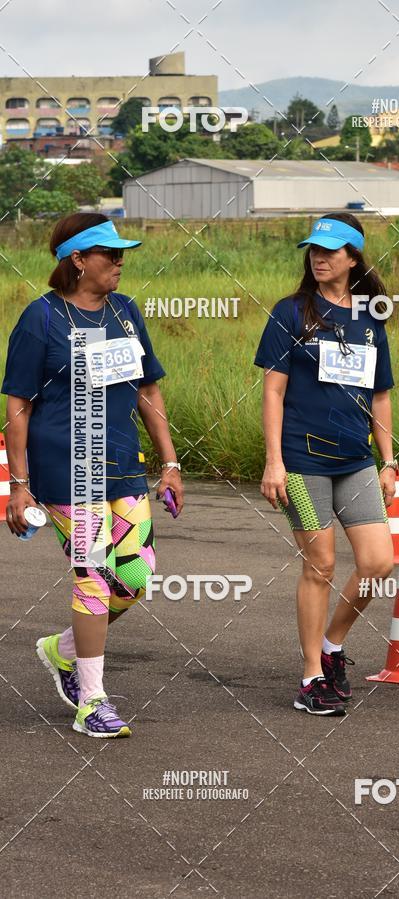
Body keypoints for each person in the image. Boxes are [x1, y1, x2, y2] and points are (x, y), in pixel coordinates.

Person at [2, 212, 183, 738]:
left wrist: (170, 463)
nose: (120, 261)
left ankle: (62, 650)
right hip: (64, 470)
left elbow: (149, 390)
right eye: (110, 253)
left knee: (135, 577)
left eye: (122, 252)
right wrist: (19, 483)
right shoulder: (40, 319)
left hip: (123, 465)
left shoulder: (126, 313)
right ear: (78, 260)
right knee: (94, 578)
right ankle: (92, 701)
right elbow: (18, 405)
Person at [254, 213, 397, 716]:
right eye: (313, 249)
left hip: (355, 460)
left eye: (330, 251)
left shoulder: (370, 316)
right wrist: (274, 462)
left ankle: (332, 646)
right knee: (321, 565)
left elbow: (379, 396)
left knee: (379, 563)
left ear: (353, 258)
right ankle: (311, 677)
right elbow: (273, 391)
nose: (318, 257)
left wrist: (388, 460)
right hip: (301, 461)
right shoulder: (290, 313)